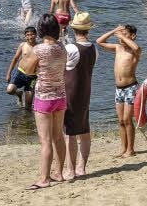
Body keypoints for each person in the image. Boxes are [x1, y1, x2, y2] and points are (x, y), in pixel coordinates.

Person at [26, 14, 68, 190]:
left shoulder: (38, 49)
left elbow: (27, 70)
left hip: (44, 97)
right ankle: (59, 173)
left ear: (41, 29)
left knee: (45, 140)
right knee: (58, 136)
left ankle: (44, 178)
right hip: (60, 95)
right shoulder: (62, 47)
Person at [97, 24, 141, 158]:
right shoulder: (118, 48)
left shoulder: (134, 51)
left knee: (127, 119)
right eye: (120, 35)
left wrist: (122, 36)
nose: (120, 37)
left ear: (132, 36)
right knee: (121, 120)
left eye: (125, 34)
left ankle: (130, 149)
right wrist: (114, 31)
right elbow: (99, 41)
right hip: (119, 89)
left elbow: (136, 48)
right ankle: (123, 148)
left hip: (131, 87)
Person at [63, 13, 97, 179]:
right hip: (86, 92)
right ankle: (81, 167)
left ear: (74, 29)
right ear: (87, 30)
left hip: (71, 93)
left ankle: (70, 170)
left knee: (70, 133)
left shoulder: (71, 48)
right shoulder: (93, 48)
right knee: (84, 129)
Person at [6, 26, 38, 108]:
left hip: (32, 77)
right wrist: (8, 74)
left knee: (28, 104)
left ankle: (25, 116)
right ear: (25, 36)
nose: (30, 37)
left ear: (36, 35)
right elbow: (15, 59)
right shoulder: (23, 45)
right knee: (10, 90)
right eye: (27, 35)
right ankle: (19, 94)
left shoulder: (39, 48)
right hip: (20, 73)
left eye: (32, 34)